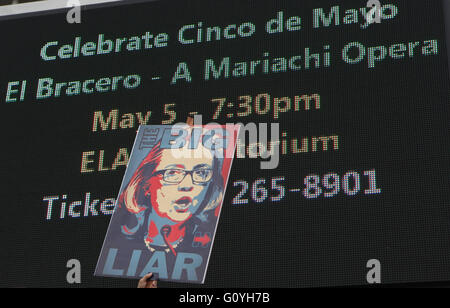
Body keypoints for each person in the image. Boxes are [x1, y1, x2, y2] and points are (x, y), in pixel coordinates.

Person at [118, 129, 224, 257]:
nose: (187, 185)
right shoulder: (116, 228)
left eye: (201, 173)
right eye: (173, 173)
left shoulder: (213, 233)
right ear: (146, 183)